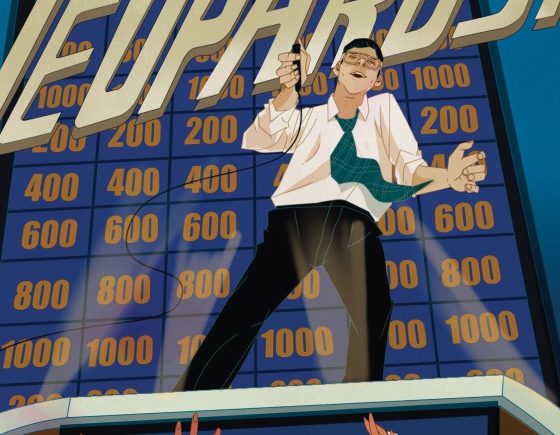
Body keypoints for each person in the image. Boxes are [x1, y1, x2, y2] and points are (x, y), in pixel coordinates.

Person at [174, 38, 486, 391]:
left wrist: (449, 177)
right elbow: (263, 137)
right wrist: (288, 89)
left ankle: (361, 403)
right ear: (336, 68)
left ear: (378, 79)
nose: (361, 64)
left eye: (371, 63)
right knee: (246, 308)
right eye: (353, 57)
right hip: (297, 221)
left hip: (353, 224)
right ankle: (193, 401)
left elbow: (410, 172)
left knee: (374, 308)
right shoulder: (310, 117)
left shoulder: (383, 110)